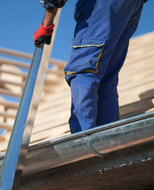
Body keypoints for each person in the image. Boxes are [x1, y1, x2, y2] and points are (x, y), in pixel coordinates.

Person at [33, 0, 144, 133]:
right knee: (105, 78)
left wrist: (46, 25)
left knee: (83, 72)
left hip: (102, 5)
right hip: (131, 6)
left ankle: (83, 143)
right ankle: (107, 143)